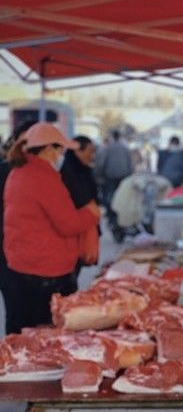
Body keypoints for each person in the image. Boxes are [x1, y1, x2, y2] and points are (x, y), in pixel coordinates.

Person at [3, 122, 99, 333]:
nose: (60, 155)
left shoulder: (18, 172)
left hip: (21, 265)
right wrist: (91, 213)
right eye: (59, 149)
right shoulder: (43, 177)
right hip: (45, 271)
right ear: (48, 149)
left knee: (23, 331)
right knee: (47, 332)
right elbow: (69, 224)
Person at [0, 120, 36, 334]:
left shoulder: (44, 173)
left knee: (33, 313)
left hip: (34, 255)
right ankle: (13, 360)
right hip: (7, 254)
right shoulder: (4, 172)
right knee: (16, 310)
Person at [60, 135, 100, 275]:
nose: (92, 155)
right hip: (77, 231)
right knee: (72, 272)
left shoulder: (81, 169)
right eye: (90, 151)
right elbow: (82, 200)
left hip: (83, 226)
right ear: (78, 151)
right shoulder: (70, 173)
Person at [96, 129, 133, 241]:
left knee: (110, 200)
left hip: (110, 178)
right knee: (123, 200)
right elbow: (130, 165)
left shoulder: (107, 149)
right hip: (123, 178)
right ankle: (122, 221)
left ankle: (113, 221)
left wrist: (99, 176)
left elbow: (101, 164)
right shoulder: (125, 149)